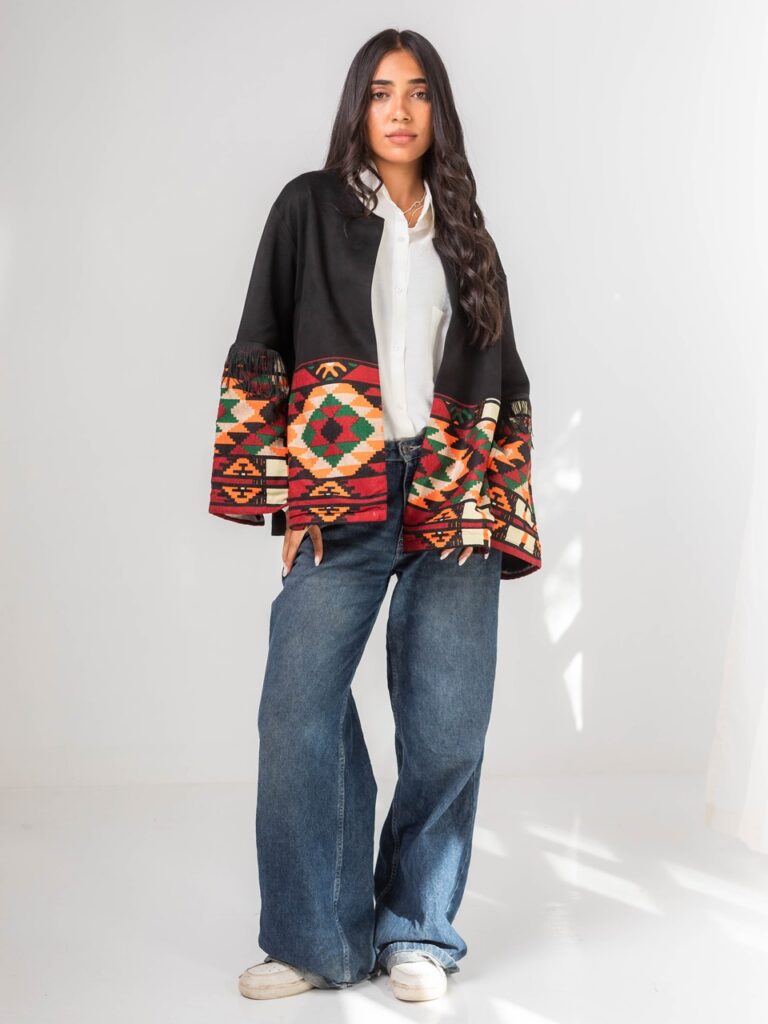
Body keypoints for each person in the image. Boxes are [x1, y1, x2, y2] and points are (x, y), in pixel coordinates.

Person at [207, 28, 542, 1003]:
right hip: (339, 489)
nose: (400, 109)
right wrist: (284, 496)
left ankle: (418, 931)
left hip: (450, 495)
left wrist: (493, 505)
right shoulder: (308, 208)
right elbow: (262, 346)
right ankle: (318, 938)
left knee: (447, 729)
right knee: (298, 707)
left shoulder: (467, 235)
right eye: (382, 90)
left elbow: (506, 378)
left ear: (440, 110)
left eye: (419, 91)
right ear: (358, 105)